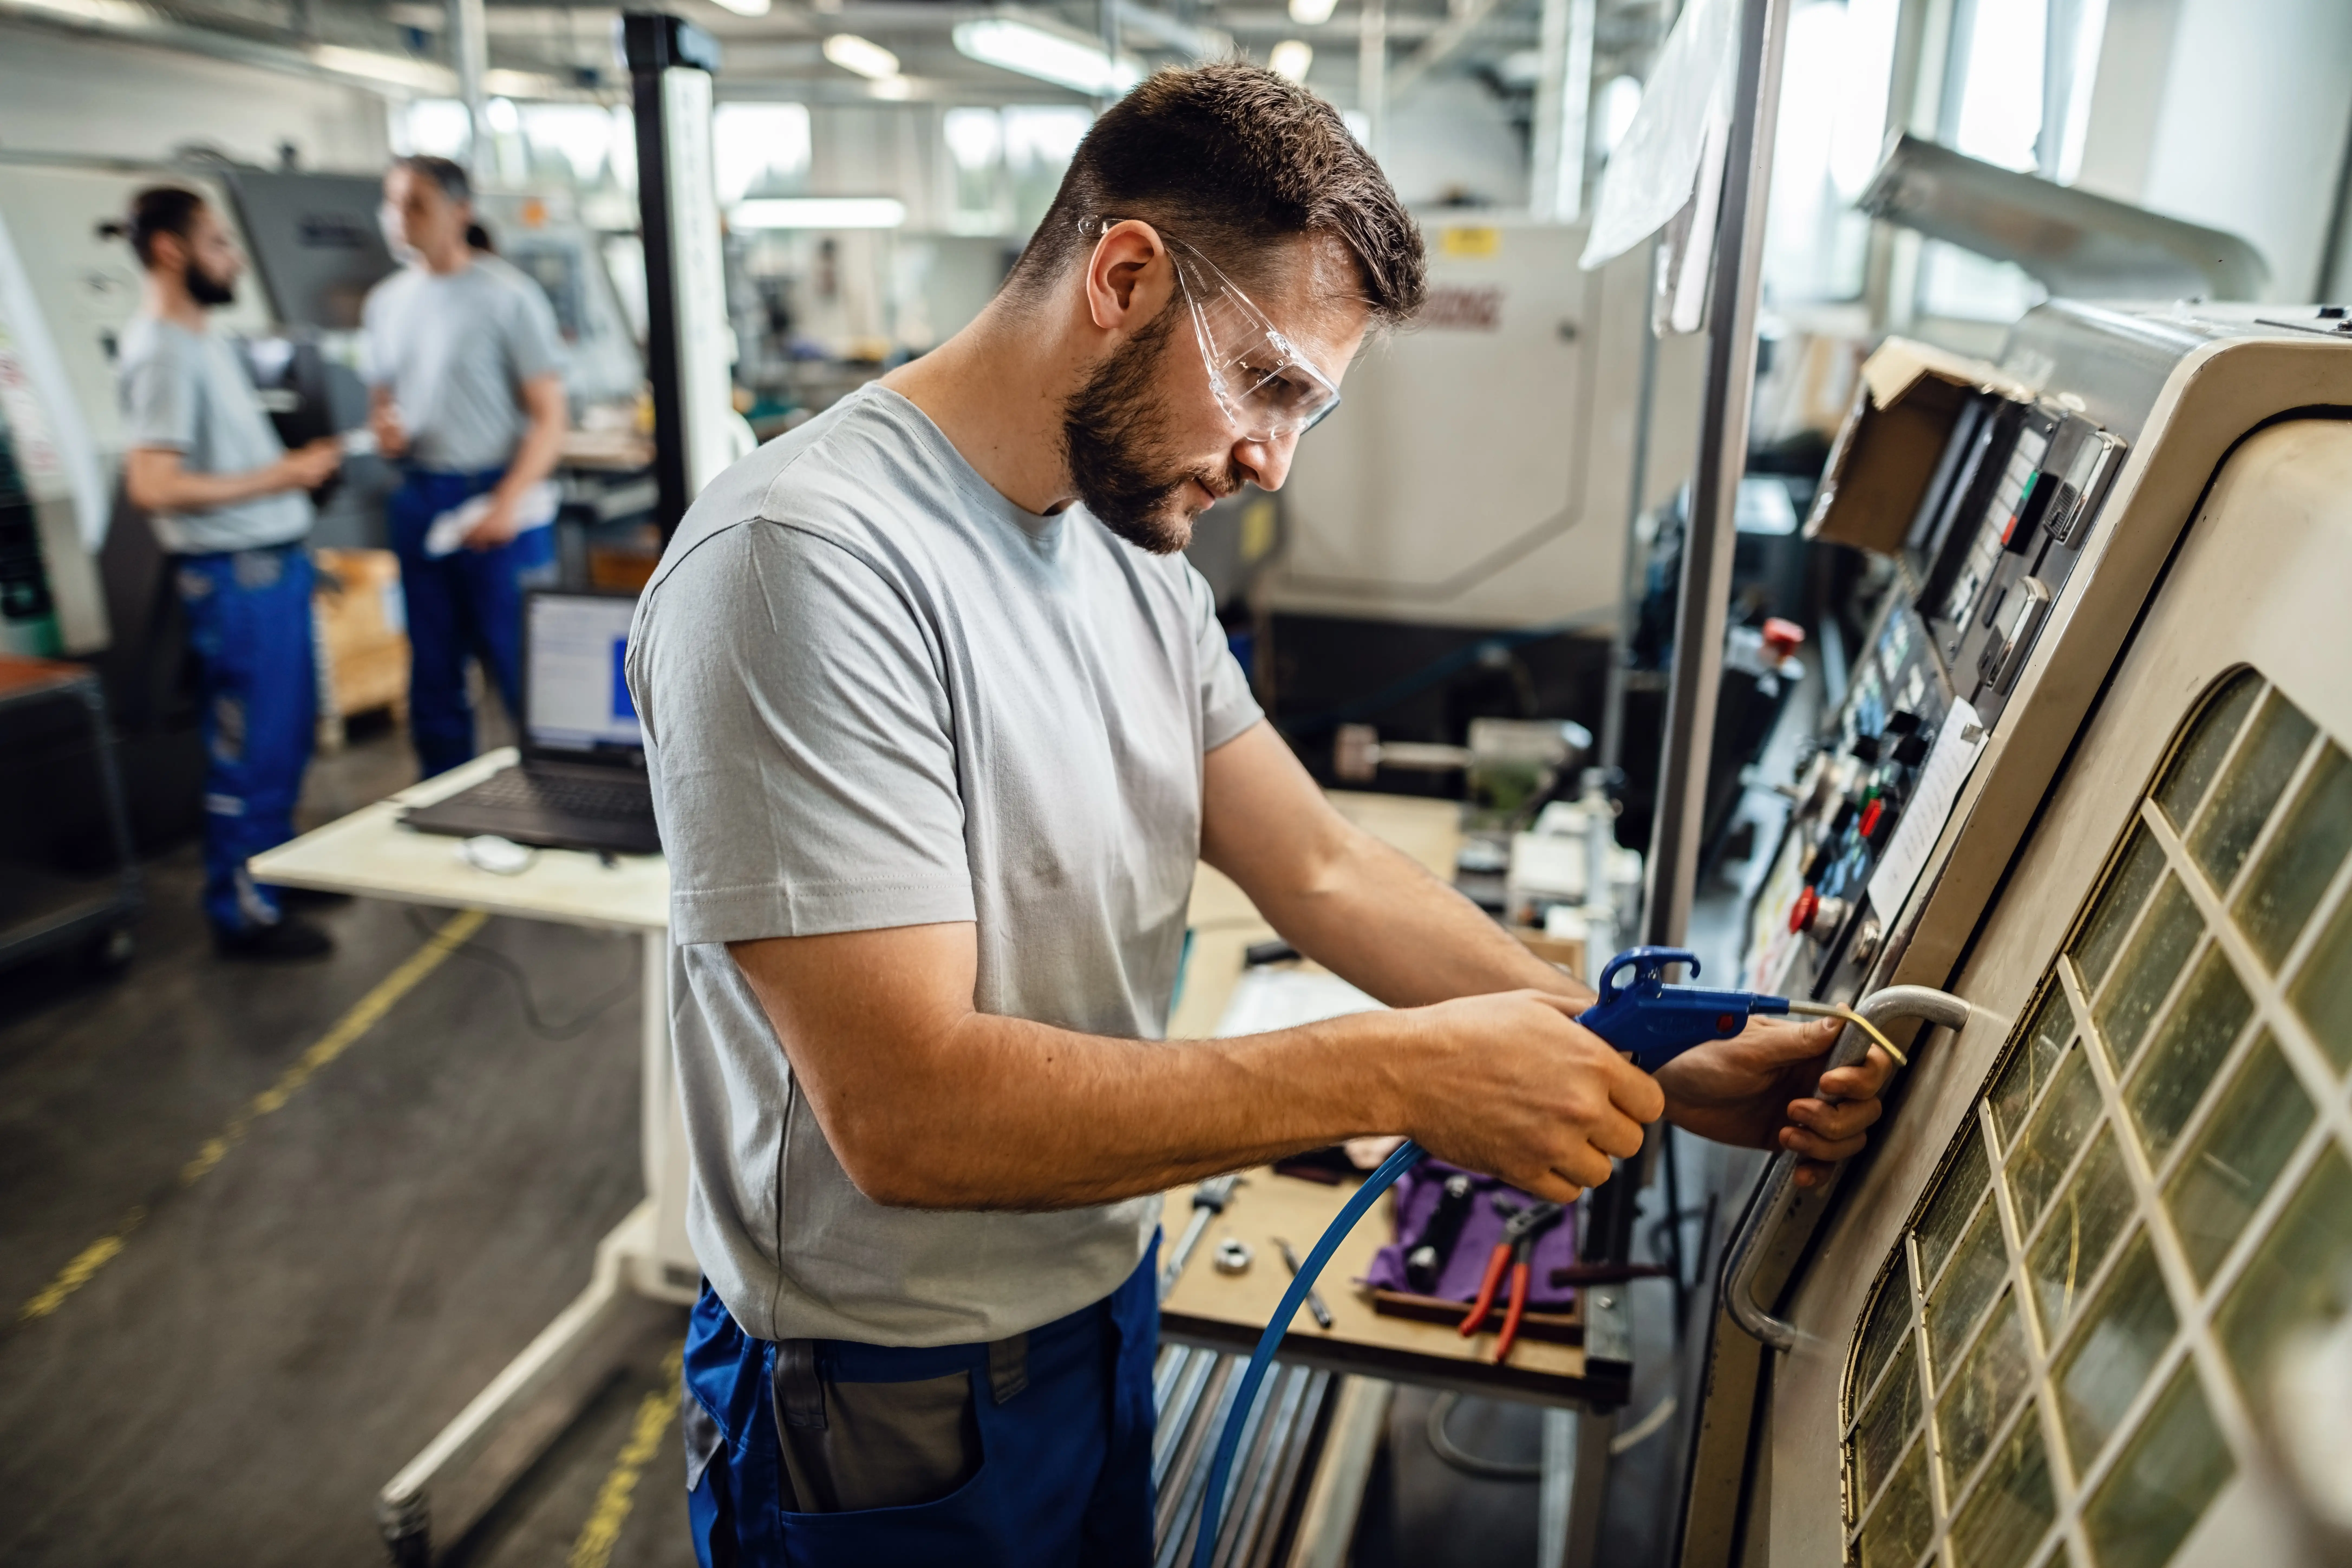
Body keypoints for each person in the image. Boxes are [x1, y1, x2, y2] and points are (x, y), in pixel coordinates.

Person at [628, 64, 1896, 1567]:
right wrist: (1401, 1074)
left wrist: (1640, 1060)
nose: (1272, 457)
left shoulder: (1128, 548)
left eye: (1309, 407)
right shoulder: (805, 564)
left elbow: (1322, 865)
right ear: (1123, 275)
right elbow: (911, 1114)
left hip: (1099, 1299)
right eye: (1270, 382)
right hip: (888, 1399)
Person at [113, 187, 344, 959]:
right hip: (234, 578)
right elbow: (152, 485)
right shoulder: (162, 351)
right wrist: (279, 479)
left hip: (271, 568)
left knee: (283, 741)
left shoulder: (202, 336)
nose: (234, 257)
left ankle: (273, 868)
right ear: (172, 251)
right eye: (218, 243)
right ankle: (243, 910)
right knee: (250, 748)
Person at [363, 155, 568, 776]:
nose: (401, 218)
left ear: (460, 211)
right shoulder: (386, 303)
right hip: (422, 495)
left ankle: (561, 806)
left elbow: (550, 417)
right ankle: (445, 802)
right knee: (432, 670)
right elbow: (384, 404)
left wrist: (507, 504)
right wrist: (388, 431)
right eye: (393, 203)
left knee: (524, 669)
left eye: (417, 204)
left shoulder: (507, 297)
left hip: (499, 496)